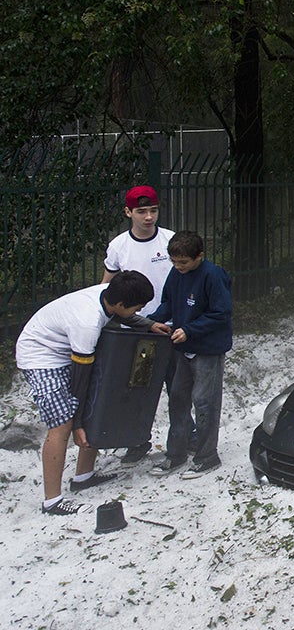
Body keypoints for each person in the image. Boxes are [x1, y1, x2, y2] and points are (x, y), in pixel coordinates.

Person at [15, 271, 155, 515]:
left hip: (65, 350)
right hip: (41, 357)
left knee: (96, 402)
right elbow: (82, 379)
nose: (138, 311)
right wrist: (78, 424)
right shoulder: (87, 322)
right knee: (63, 423)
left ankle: (84, 477)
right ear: (122, 303)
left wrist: (151, 325)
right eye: (138, 308)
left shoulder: (106, 295)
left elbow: (124, 315)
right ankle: (52, 502)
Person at [145, 231, 232, 480]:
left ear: (200, 256)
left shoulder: (213, 276)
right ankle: (176, 453)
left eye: (183, 262)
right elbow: (169, 304)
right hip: (182, 347)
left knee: (204, 401)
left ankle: (207, 456)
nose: (178, 266)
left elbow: (221, 313)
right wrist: (151, 322)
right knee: (178, 398)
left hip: (208, 349)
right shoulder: (176, 274)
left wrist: (190, 330)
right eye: (174, 261)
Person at [103, 184, 175, 466]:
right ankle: (136, 439)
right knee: (139, 385)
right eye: (142, 211)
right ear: (128, 212)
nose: (148, 217)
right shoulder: (119, 246)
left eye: (153, 210)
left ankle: (185, 436)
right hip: (137, 330)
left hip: (170, 327)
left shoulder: (170, 241)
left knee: (177, 387)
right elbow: (107, 287)